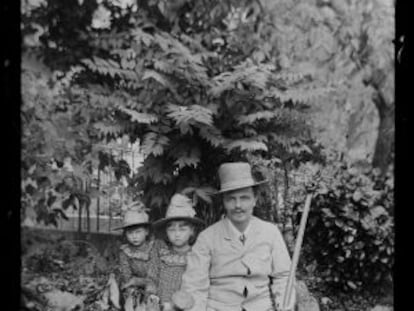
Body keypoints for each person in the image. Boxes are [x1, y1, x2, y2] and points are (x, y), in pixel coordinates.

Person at [180, 162, 296, 311]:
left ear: (254, 200)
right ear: (224, 202)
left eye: (244, 198)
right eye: (231, 199)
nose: (238, 205)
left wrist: (285, 305)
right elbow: (194, 285)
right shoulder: (207, 238)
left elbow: (284, 276)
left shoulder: (271, 232)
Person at [148, 193, 204, 309]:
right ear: (166, 232)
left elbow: (200, 287)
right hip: (160, 306)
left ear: (192, 231)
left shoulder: (197, 255)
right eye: (171, 229)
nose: (177, 234)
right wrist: (151, 294)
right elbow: (152, 277)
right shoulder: (160, 251)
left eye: (182, 229)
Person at [113, 202, 157, 307]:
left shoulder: (153, 248)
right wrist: (131, 283)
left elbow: (154, 274)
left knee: (151, 291)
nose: (134, 237)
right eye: (130, 233)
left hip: (151, 281)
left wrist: (139, 281)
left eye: (138, 232)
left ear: (146, 232)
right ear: (125, 234)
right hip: (132, 282)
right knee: (129, 291)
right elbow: (126, 274)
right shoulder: (125, 251)